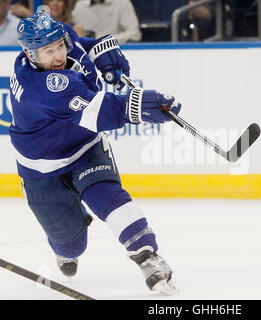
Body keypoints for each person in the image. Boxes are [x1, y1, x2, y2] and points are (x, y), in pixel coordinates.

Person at [9, 11, 181, 295]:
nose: (58, 55)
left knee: (109, 197)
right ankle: (65, 246)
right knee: (71, 244)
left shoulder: (60, 37)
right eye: (48, 51)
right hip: (40, 170)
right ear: (29, 55)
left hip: (86, 148)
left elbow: (82, 44)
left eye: (59, 46)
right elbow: (102, 110)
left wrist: (103, 52)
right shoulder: (41, 87)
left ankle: (148, 257)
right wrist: (143, 105)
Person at [72, 0, 142, 43]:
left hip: (117, 52)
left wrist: (106, 41)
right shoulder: (79, 6)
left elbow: (135, 34)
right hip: (88, 55)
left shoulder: (122, 3)